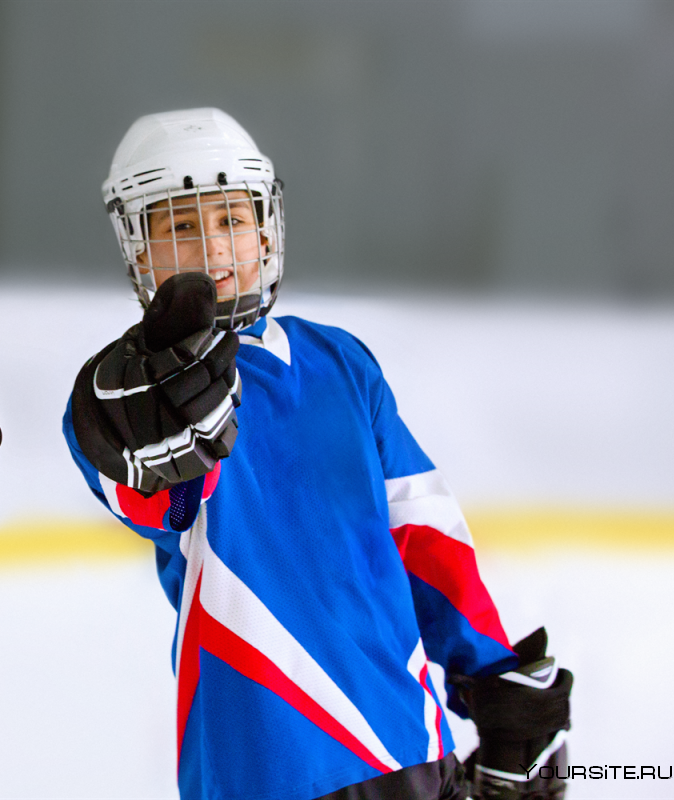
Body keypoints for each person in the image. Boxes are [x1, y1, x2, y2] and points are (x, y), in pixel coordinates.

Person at [63, 109, 571, 800]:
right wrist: (145, 449)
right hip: (263, 766)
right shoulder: (131, 396)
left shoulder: (343, 363)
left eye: (230, 220)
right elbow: (160, 502)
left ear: (266, 227)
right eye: (180, 226)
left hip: (410, 746)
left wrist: (491, 672)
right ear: (138, 247)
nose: (212, 248)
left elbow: (422, 533)